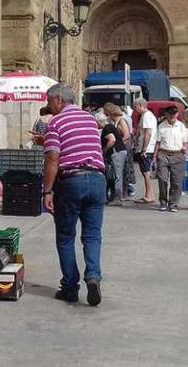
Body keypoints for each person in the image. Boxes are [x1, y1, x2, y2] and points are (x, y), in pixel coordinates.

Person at [40, 84, 106, 306]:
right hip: (97, 179)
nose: (48, 106)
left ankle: (70, 286)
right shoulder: (89, 119)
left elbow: (52, 159)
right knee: (92, 235)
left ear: (58, 100)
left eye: (49, 101)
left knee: (66, 236)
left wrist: (47, 191)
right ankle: (93, 276)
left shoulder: (55, 123)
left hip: (71, 181)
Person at [154, 106, 188, 212]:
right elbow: (158, 142)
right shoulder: (161, 126)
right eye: (170, 113)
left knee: (176, 181)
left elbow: (185, 141)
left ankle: (173, 203)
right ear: (166, 115)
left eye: (175, 113)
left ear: (177, 114)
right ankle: (163, 202)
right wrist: (154, 157)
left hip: (177, 154)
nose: (173, 116)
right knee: (162, 178)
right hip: (163, 153)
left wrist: (185, 148)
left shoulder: (181, 126)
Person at [104, 103, 136, 199]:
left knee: (121, 173)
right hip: (120, 148)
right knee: (117, 172)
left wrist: (119, 142)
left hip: (122, 148)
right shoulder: (114, 121)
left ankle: (121, 195)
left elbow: (127, 135)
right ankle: (119, 193)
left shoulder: (121, 121)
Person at [98, 112, 128, 206]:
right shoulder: (110, 126)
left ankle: (117, 198)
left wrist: (104, 150)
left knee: (117, 175)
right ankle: (114, 196)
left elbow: (112, 140)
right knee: (115, 175)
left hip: (116, 152)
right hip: (119, 151)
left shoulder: (107, 128)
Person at [132, 98, 157, 204]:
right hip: (146, 147)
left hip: (146, 148)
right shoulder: (147, 115)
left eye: (135, 106)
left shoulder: (147, 116)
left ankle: (149, 195)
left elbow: (148, 133)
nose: (134, 109)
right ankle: (149, 194)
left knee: (146, 172)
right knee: (145, 172)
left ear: (140, 105)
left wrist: (144, 149)